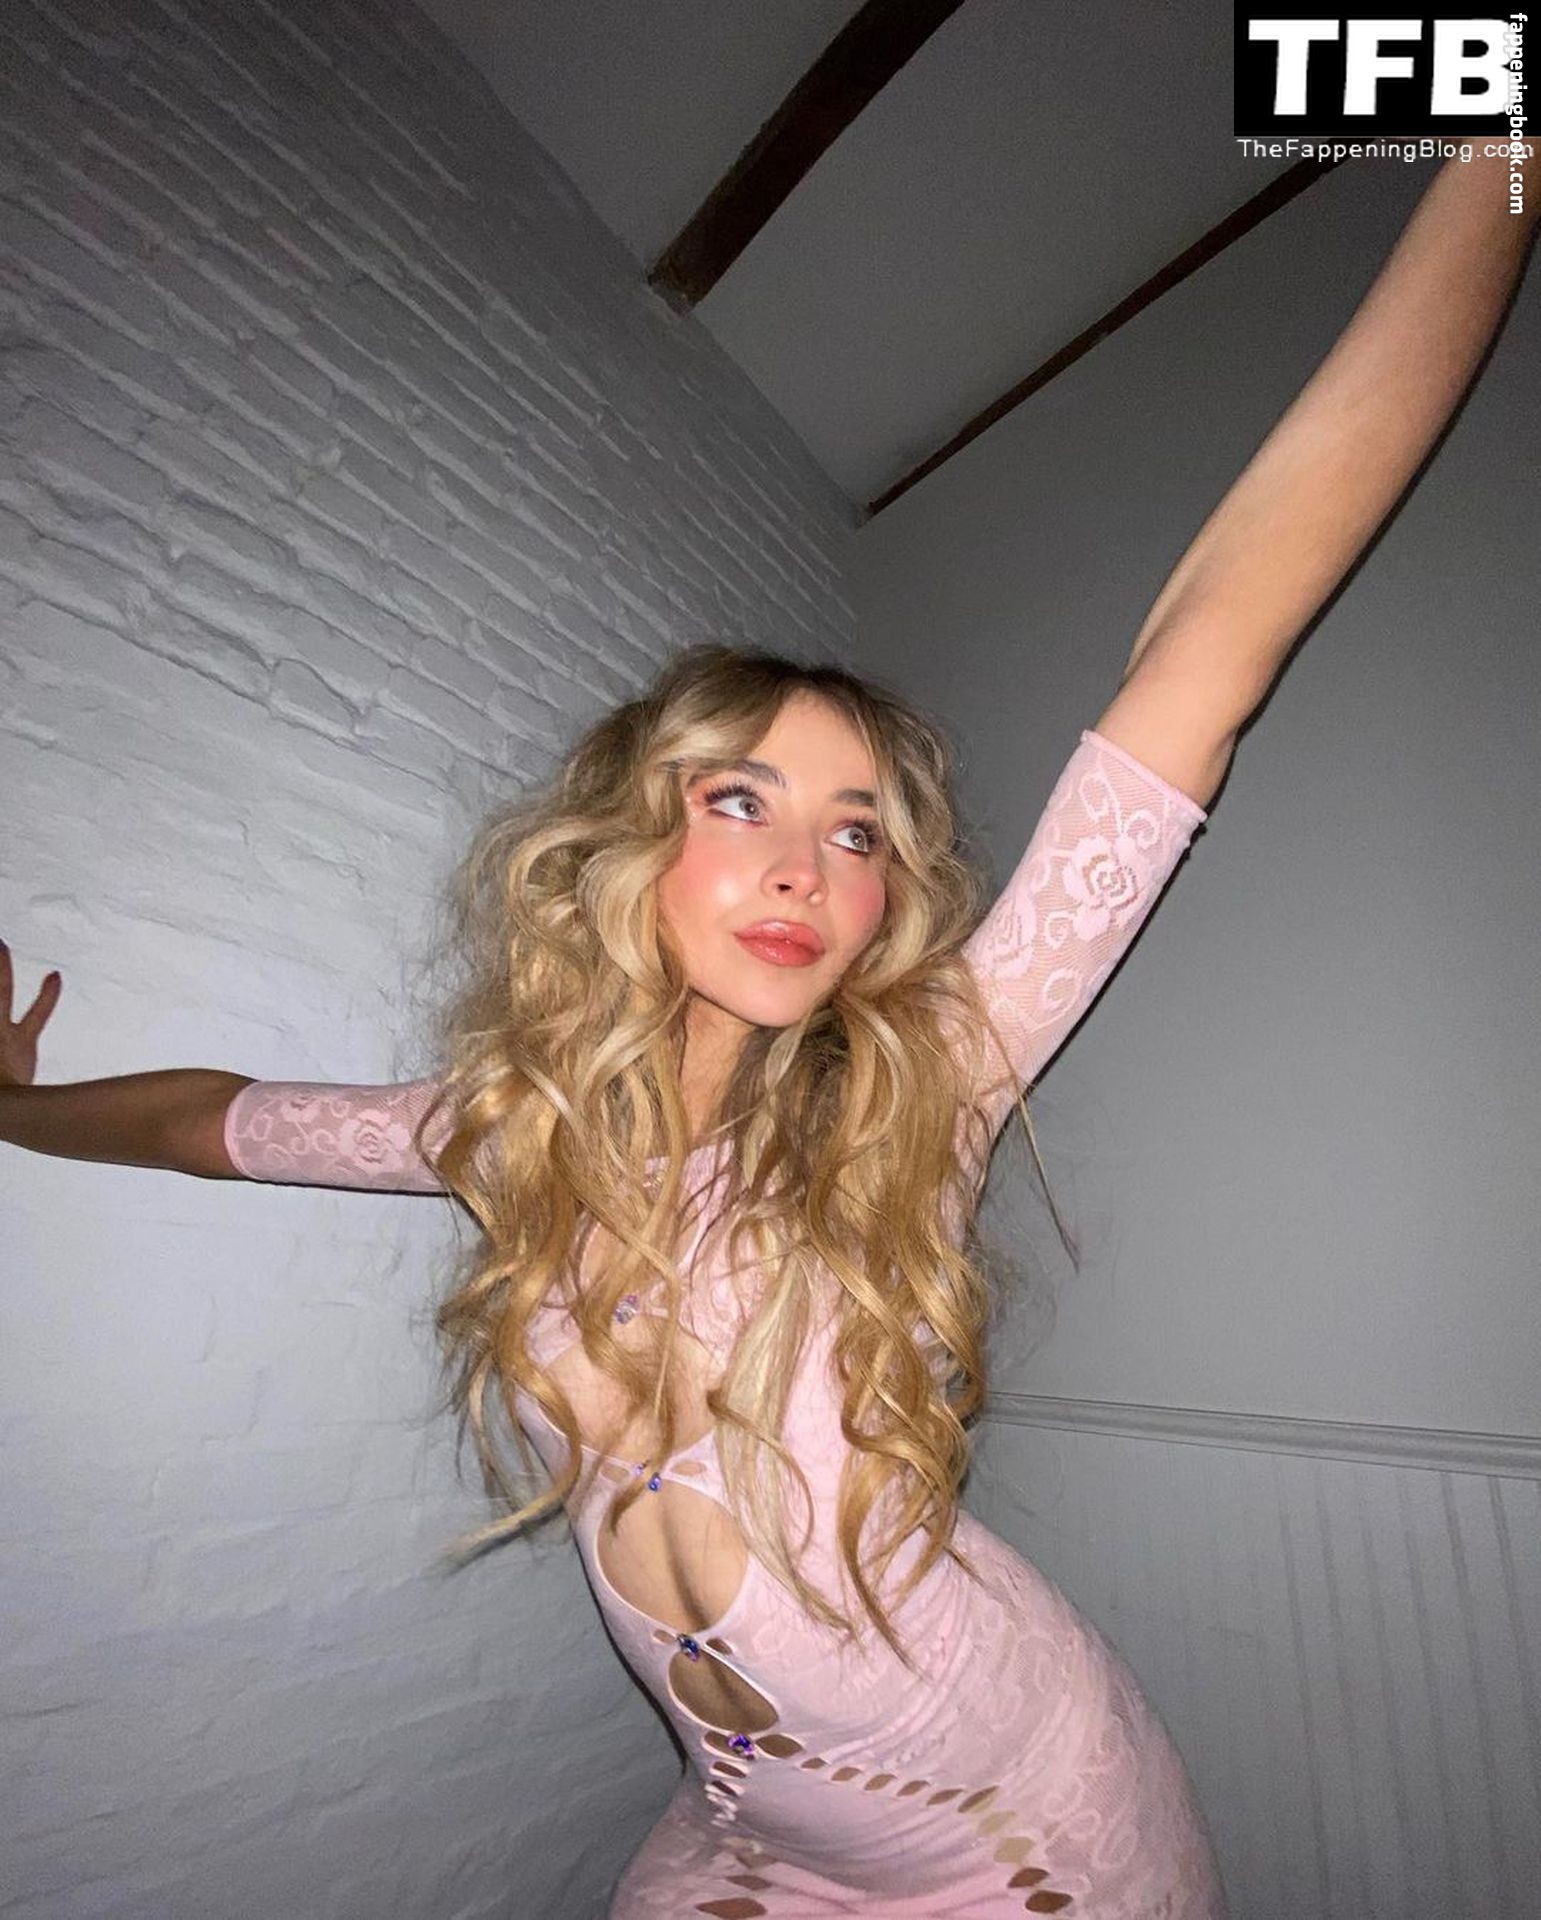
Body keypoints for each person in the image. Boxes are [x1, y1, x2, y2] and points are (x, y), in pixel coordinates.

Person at [3, 150, 1534, 1917]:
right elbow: (216, 1122)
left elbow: (1213, 644)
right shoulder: (511, 1135)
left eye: (858, 831)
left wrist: (1497, 140)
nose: (809, 864)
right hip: (749, 1831)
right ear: (630, 844)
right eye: (742, 801)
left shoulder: (922, 1085)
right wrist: (10, 1108)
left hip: (1022, 1831)